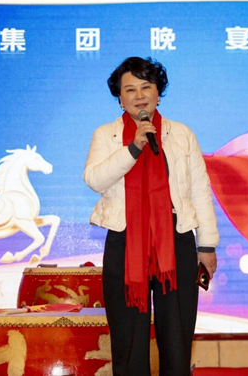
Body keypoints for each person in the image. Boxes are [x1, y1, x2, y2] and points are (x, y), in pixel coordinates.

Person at [83, 57, 219, 376]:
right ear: (120, 98)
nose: (140, 95)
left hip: (175, 239)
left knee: (177, 336)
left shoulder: (181, 134)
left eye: (146, 87)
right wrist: (133, 148)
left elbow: (200, 190)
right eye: (130, 89)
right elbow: (95, 179)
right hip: (125, 241)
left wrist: (207, 246)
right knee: (128, 337)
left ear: (158, 93)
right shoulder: (106, 135)